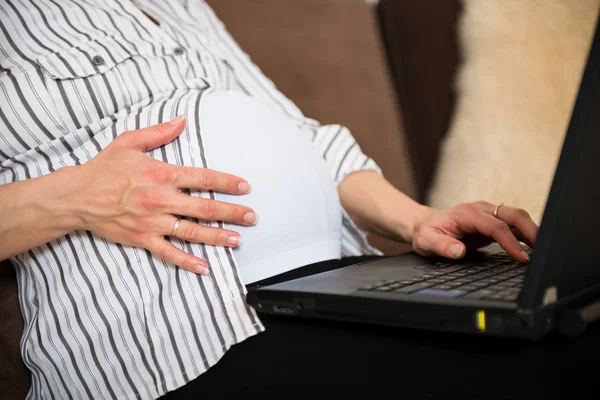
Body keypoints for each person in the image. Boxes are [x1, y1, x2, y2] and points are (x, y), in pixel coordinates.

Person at [0, 0, 538, 399]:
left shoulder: (181, 5)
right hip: (177, 334)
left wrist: (420, 221)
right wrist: (78, 197)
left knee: (544, 335)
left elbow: (306, 136)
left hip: (343, 285)